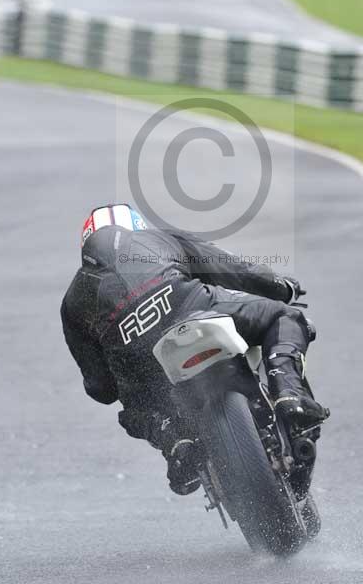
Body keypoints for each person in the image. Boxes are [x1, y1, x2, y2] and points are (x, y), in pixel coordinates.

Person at [61, 203, 328, 495]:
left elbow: (101, 388)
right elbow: (235, 270)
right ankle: (289, 394)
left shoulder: (72, 302)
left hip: (136, 354)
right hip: (188, 305)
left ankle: (176, 443)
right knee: (284, 317)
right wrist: (282, 288)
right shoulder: (160, 237)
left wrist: (124, 372)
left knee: (135, 407)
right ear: (136, 225)